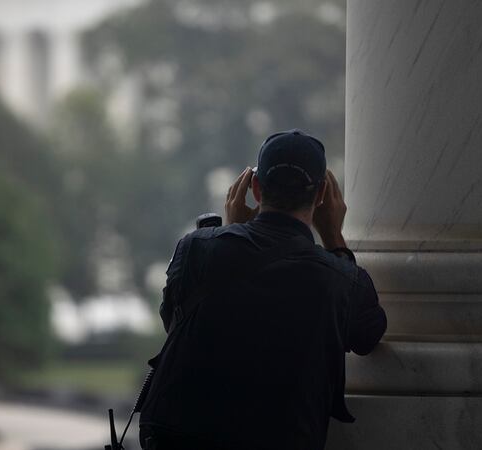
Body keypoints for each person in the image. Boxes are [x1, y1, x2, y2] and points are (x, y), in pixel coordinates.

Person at [138, 129, 387, 450]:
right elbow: (368, 334)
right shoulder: (340, 279)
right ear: (322, 196)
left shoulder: (195, 249)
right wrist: (334, 239)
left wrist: (232, 232)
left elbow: (173, 322)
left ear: (255, 188)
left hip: (176, 437)